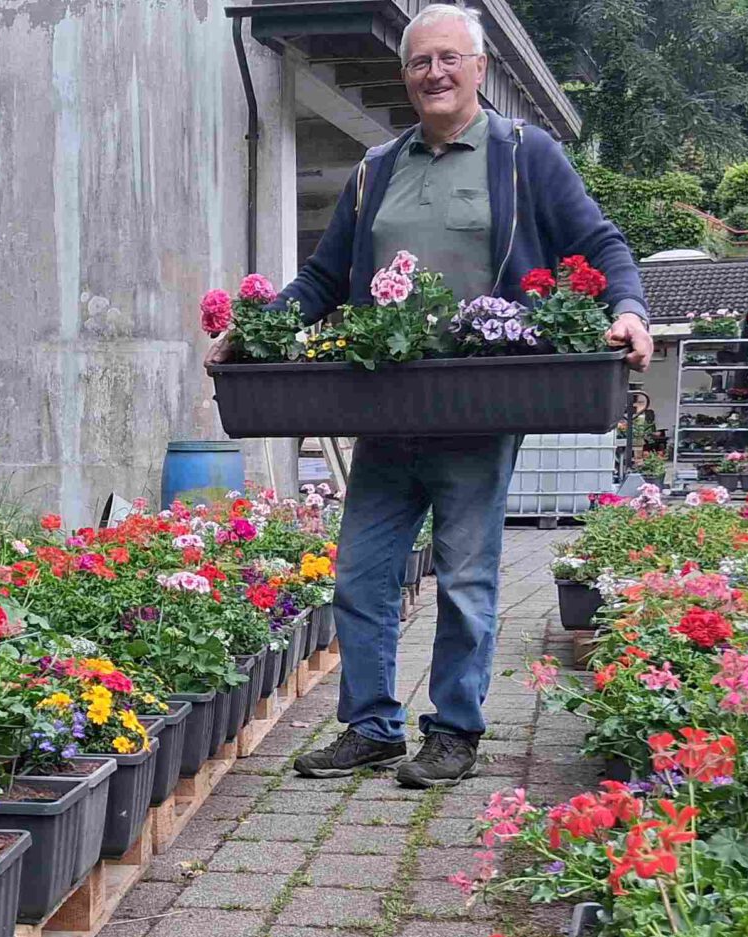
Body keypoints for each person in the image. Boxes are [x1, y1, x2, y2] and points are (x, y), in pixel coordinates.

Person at [209, 3, 652, 787]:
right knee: (361, 572)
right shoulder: (377, 168)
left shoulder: (524, 155)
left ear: (479, 69)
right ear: (405, 74)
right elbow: (321, 279)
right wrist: (255, 329)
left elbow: (602, 242)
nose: (435, 74)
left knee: (467, 577)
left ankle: (453, 731)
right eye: (420, 62)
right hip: (383, 403)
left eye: (450, 59)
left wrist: (628, 309)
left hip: (478, 403)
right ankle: (371, 727)